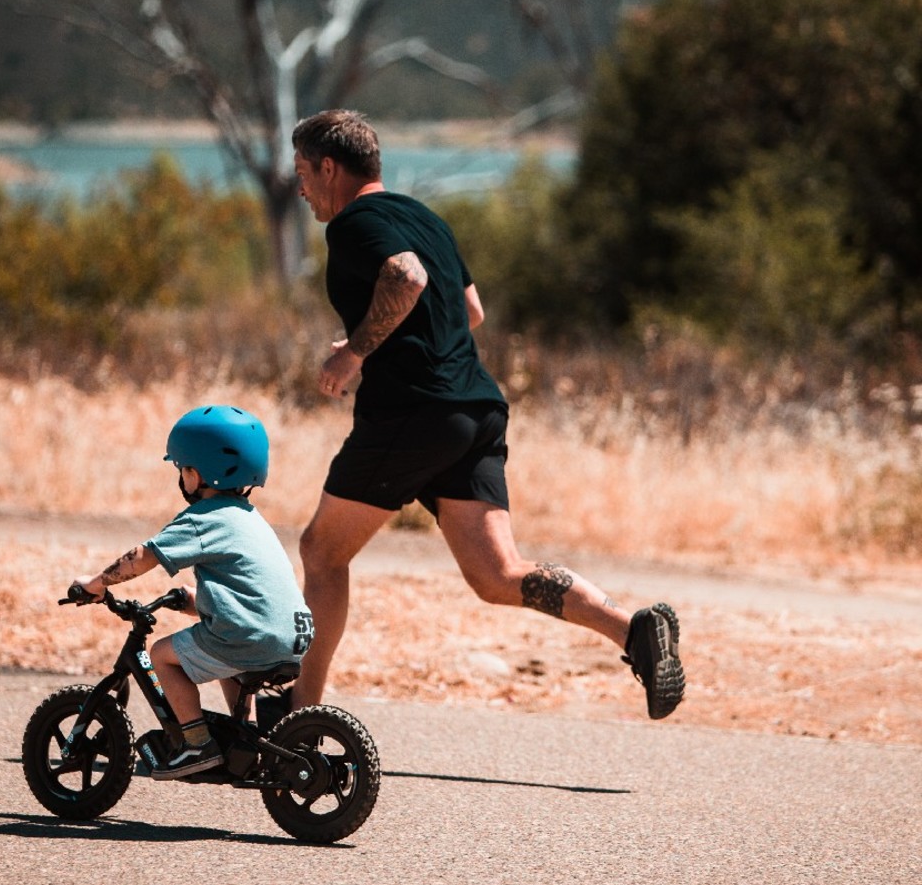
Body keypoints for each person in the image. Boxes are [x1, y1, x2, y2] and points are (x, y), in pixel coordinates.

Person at [287, 109, 684, 720]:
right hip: (475, 410)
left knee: (321, 552)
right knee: (497, 575)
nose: (301, 188)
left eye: (302, 172)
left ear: (330, 168)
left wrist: (355, 353)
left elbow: (406, 275)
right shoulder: (428, 220)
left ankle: (299, 715)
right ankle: (633, 629)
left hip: (412, 413)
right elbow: (471, 311)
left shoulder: (355, 222)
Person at [74, 404, 314, 779]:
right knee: (227, 658)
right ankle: (245, 741)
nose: (182, 476)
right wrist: (190, 601)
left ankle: (195, 745)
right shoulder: (251, 519)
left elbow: (143, 556)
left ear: (197, 472)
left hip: (248, 634)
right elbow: (245, 594)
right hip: (293, 634)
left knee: (162, 655)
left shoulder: (204, 518)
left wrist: (97, 583)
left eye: (183, 468)